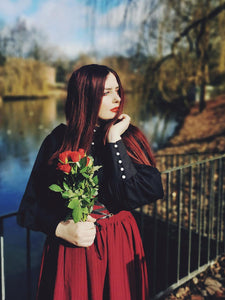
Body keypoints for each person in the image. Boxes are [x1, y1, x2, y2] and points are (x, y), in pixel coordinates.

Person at [17, 64, 164, 300]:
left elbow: (145, 191)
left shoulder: (128, 135)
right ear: (85, 96)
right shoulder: (59, 140)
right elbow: (28, 208)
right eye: (106, 92)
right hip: (72, 249)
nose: (117, 98)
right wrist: (61, 228)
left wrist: (115, 141)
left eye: (117, 90)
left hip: (119, 242)